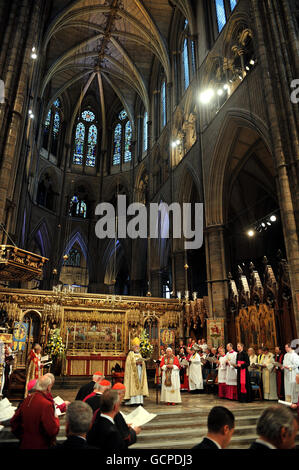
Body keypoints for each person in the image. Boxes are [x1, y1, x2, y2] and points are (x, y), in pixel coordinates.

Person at [10, 374, 60, 449]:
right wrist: (56, 419)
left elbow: (14, 422)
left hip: (25, 444)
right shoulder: (46, 404)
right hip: (41, 445)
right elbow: (52, 430)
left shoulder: (27, 400)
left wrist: (22, 436)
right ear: (49, 387)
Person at [112, 382, 141, 447]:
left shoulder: (108, 405)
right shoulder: (115, 412)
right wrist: (134, 432)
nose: (123, 397)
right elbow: (122, 439)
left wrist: (125, 425)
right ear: (119, 394)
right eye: (123, 394)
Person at [123, 337, 149, 405]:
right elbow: (128, 364)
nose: (137, 347)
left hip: (140, 372)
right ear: (133, 347)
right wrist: (135, 363)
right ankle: (133, 401)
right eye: (136, 346)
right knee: (133, 386)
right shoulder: (130, 355)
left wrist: (141, 363)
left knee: (140, 384)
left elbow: (142, 363)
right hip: (133, 374)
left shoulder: (139, 354)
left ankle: (139, 401)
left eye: (138, 346)